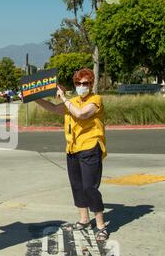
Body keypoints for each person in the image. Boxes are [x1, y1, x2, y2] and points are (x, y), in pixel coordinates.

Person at [35, 68, 109, 242]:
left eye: (85, 83)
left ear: (91, 84)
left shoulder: (95, 100)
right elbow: (53, 108)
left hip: (90, 147)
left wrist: (64, 98)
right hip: (73, 148)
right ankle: (84, 219)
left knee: (90, 187)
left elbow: (81, 114)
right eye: (78, 83)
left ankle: (101, 225)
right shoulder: (73, 101)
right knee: (77, 185)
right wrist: (35, 99)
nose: (82, 86)